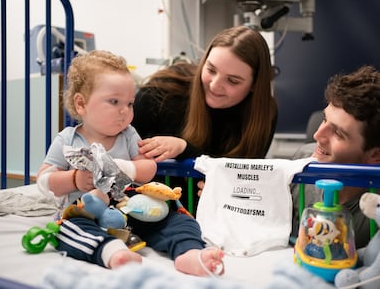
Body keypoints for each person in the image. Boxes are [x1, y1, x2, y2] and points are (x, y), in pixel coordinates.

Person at [37, 50, 224, 275]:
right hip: (84, 212)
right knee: (66, 229)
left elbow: (149, 168)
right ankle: (112, 252)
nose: (125, 111)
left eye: (130, 103)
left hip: (129, 209)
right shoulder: (67, 139)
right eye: (114, 102)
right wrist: (74, 179)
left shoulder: (128, 135)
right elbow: (44, 180)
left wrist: (124, 167)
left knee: (175, 219)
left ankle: (190, 253)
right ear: (81, 104)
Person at [134, 25, 278, 163]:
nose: (215, 85)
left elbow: (245, 176)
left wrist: (184, 149)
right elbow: (119, 154)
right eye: (211, 70)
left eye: (232, 81)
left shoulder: (263, 113)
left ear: (255, 85)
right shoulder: (164, 89)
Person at [291, 65, 380, 249]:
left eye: (338, 133)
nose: (317, 135)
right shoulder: (300, 163)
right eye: (324, 120)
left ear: (375, 155)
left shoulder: (375, 211)